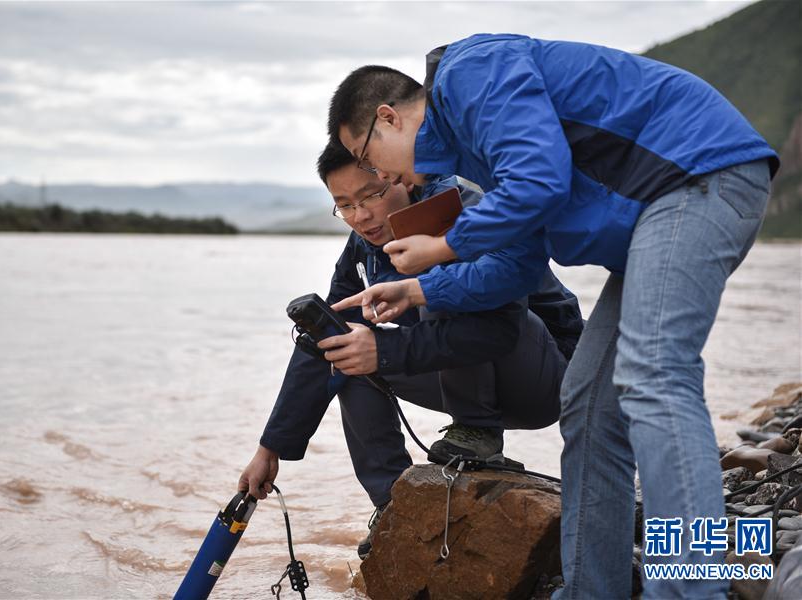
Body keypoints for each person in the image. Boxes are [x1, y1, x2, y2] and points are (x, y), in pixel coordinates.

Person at [327, 35, 779, 598]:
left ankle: (694, 586)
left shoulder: (471, 73)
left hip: (698, 174)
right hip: (656, 217)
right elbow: (518, 266)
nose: (385, 179)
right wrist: (419, 291)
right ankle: (593, 589)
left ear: (389, 117)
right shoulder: (477, 150)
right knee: (588, 401)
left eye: (372, 162)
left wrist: (444, 247)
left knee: (655, 376)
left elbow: (540, 180)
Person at [238, 140, 583, 559]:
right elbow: (320, 343)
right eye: (344, 205)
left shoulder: (460, 207)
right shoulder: (362, 247)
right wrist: (269, 449)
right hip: (471, 370)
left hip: (544, 372)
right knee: (343, 349)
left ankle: (477, 429)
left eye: (371, 195)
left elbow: (499, 330)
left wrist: (383, 348)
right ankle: (393, 503)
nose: (360, 216)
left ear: (392, 174)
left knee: (438, 290)